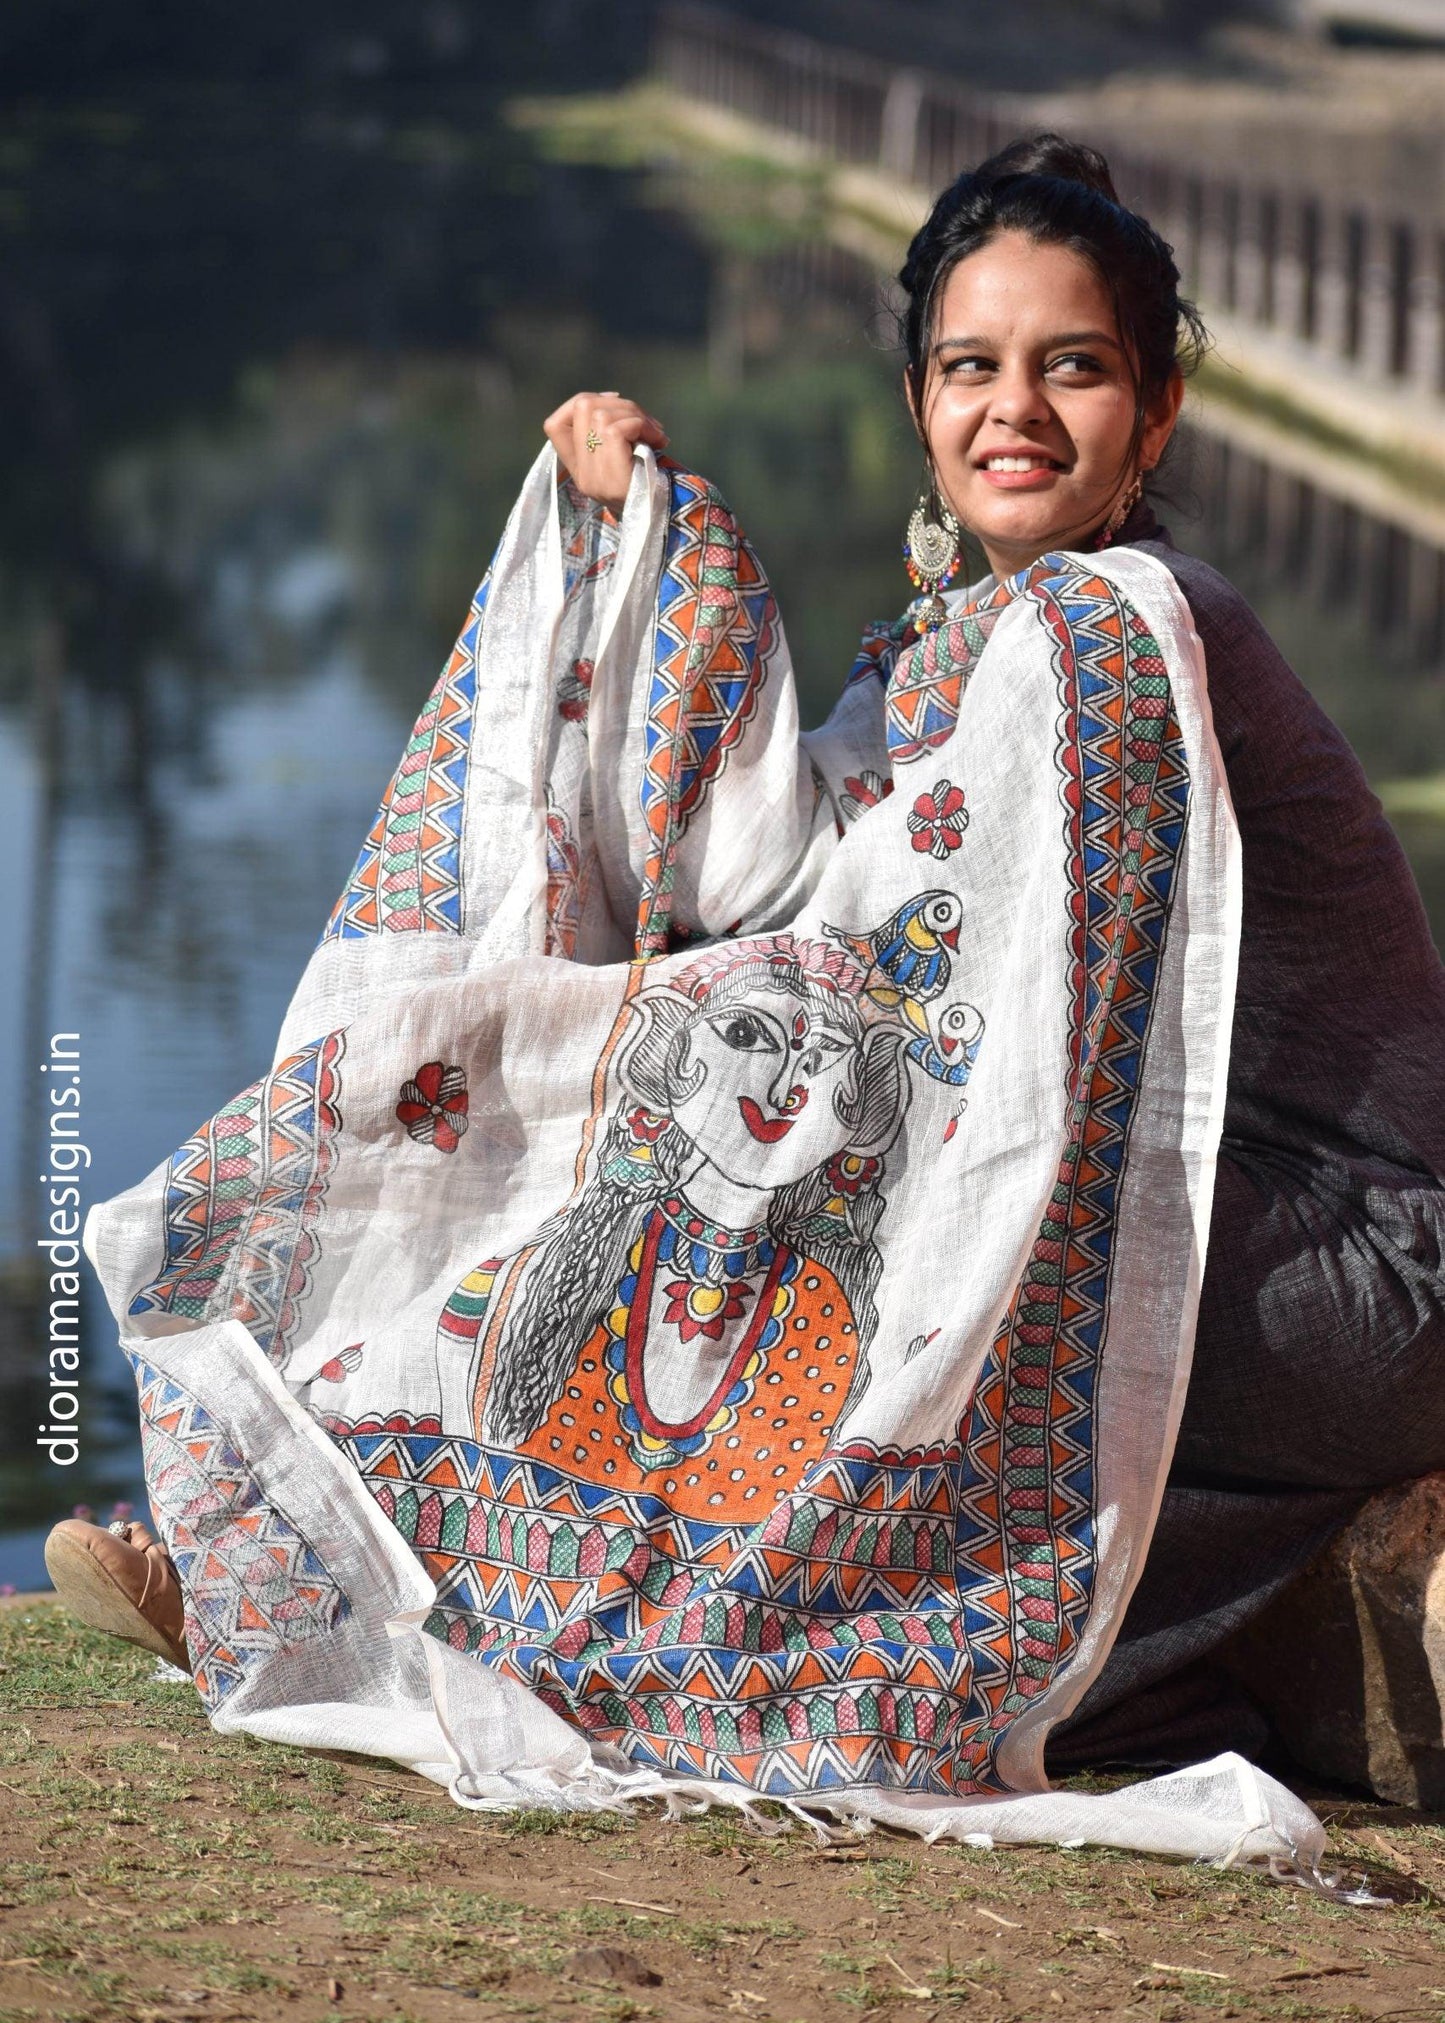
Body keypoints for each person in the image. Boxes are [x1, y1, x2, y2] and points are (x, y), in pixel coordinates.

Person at [49, 133, 1445, 1800]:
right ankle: (362, 1573)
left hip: (1358, 1263)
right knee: (706, 1181)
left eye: (1073, 367)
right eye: (970, 367)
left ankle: (522, 1620)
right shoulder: (958, 652)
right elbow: (783, 869)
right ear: (920, 406)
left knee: (793, 1218)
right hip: (1232, 1237)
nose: (1016, 408)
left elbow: (932, 1009)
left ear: (1153, 415)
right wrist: (632, 530)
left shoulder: (1126, 633)